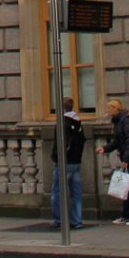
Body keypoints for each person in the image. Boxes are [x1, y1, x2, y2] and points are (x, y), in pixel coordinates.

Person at [93, 97, 129, 226]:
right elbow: (117, 141)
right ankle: (126, 215)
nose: (107, 110)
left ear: (116, 109)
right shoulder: (118, 121)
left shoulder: (126, 121)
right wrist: (104, 149)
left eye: (109, 107)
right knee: (125, 188)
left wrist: (126, 159)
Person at [48, 96, 85, 229]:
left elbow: (62, 142)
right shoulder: (77, 121)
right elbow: (82, 140)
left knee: (57, 191)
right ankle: (77, 220)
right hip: (76, 160)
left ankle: (60, 220)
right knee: (76, 192)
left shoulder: (63, 122)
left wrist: (56, 156)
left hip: (65, 161)